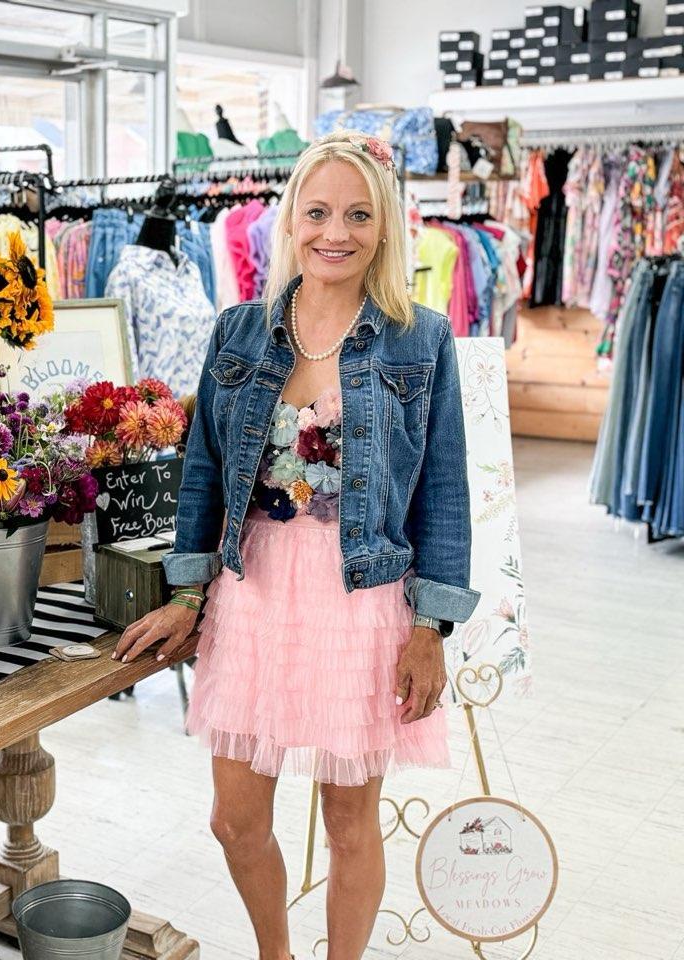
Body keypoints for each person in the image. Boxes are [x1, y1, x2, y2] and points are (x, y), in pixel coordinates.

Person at [113, 131, 480, 960]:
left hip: (363, 601)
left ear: (384, 227)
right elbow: (202, 469)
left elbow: (445, 490)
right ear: (289, 223)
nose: (335, 232)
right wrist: (184, 594)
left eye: (357, 214)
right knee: (234, 819)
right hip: (254, 591)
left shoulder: (419, 339)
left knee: (351, 822)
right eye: (317, 212)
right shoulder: (238, 333)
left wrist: (432, 629)